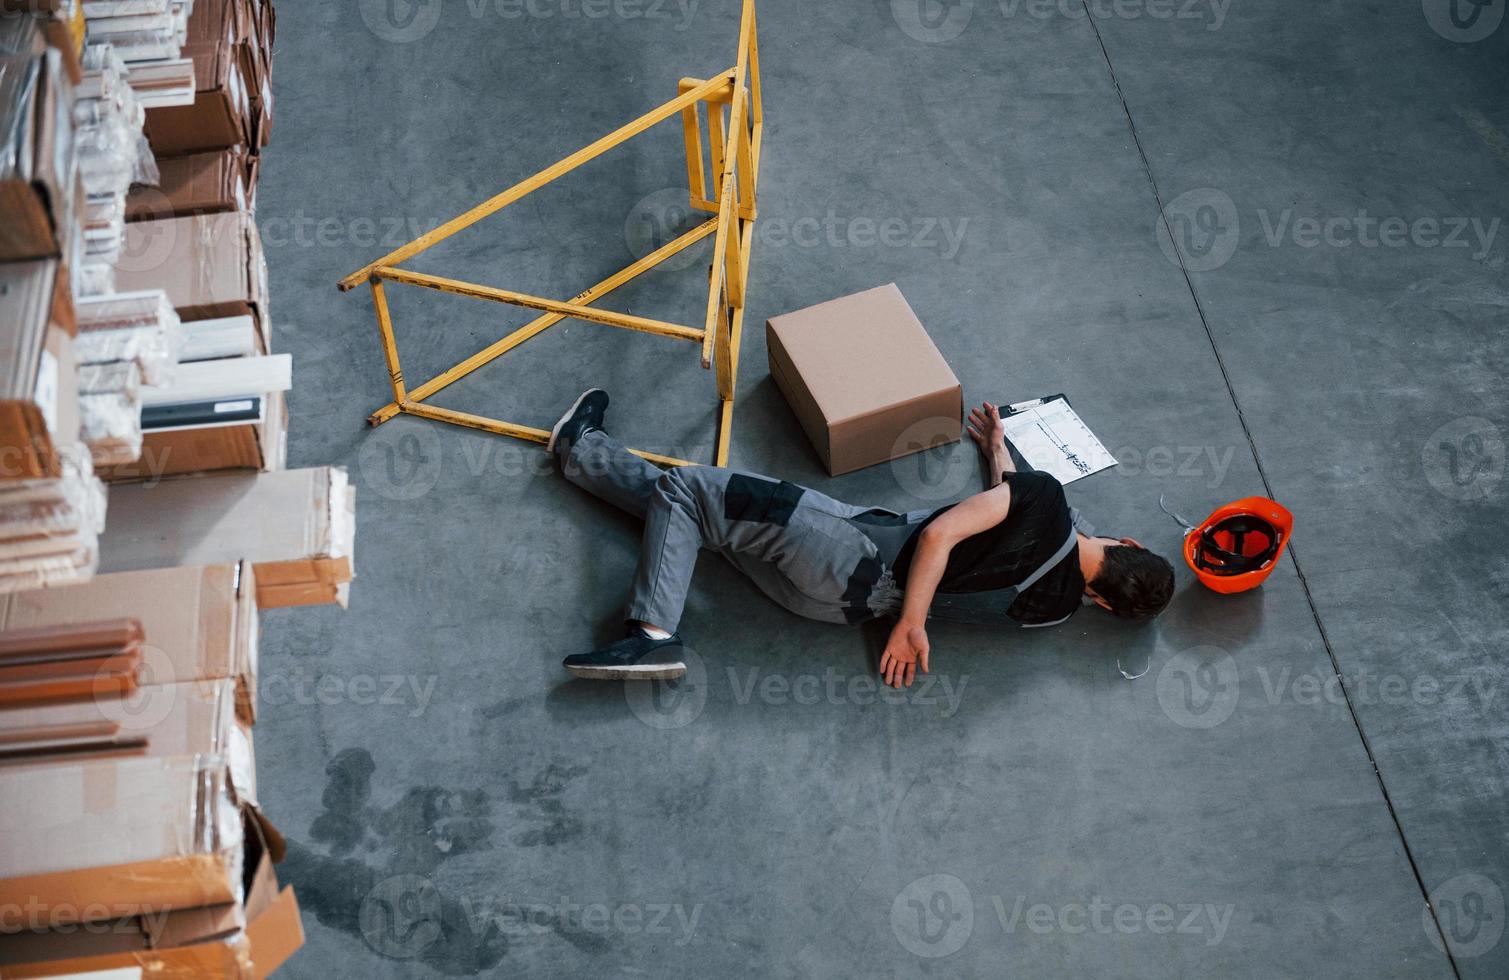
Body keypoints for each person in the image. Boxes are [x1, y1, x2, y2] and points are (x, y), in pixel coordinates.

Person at [551, 389, 1175, 688]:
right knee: (705, 521)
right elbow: (1005, 528)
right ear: (1107, 602)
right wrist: (996, 453)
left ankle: (651, 636)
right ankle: (581, 449)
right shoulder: (1057, 612)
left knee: (690, 492)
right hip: (832, 608)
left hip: (843, 551)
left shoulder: (1050, 501)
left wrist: (913, 623)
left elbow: (946, 536)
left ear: (1127, 541)